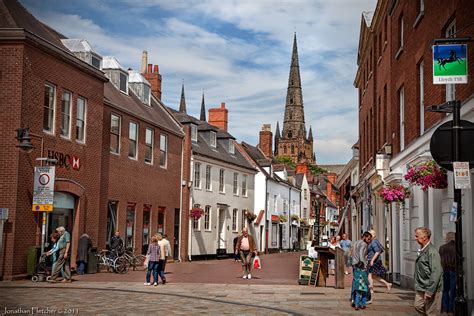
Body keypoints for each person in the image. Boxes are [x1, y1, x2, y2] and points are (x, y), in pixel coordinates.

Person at [414, 227, 443, 315]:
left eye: (417, 236)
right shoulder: (422, 250)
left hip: (431, 287)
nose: (415, 238)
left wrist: (430, 290)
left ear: (424, 237)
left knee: (432, 312)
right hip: (421, 287)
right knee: (418, 305)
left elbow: (436, 272)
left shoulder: (432, 251)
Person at [367, 229, 392, 298]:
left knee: (369, 275)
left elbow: (377, 251)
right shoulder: (375, 241)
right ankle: (387, 284)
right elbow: (381, 249)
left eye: (369, 235)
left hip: (373, 261)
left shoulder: (373, 242)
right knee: (373, 276)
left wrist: (372, 260)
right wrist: (369, 255)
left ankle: (371, 290)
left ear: (372, 235)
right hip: (376, 260)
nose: (368, 236)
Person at [350, 231, 372, 308]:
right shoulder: (364, 244)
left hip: (354, 263)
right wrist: (365, 265)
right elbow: (361, 255)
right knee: (362, 282)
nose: (369, 241)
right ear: (365, 237)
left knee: (355, 281)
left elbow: (352, 252)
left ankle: (353, 298)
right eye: (369, 239)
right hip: (360, 265)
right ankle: (362, 301)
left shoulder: (356, 242)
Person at [439, 232, 455, 315]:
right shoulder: (456, 247)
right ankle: (451, 310)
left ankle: (444, 309)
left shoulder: (442, 248)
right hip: (453, 270)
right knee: (453, 291)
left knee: (445, 290)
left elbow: (441, 260)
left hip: (445, 270)